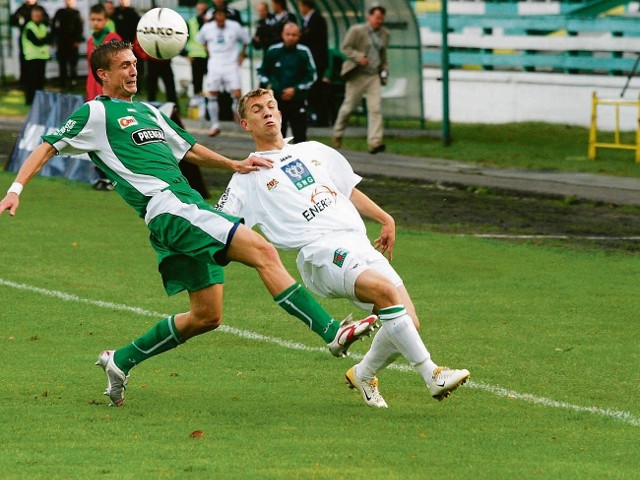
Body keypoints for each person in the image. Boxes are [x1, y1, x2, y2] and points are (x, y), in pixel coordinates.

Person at [0, 41, 377, 407]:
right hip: (170, 207)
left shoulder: (149, 110)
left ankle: (121, 360)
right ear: (103, 74)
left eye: (135, 64)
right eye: (124, 66)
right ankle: (332, 332)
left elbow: (189, 148)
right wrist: (16, 188)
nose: (133, 71)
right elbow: (48, 145)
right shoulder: (94, 114)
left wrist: (233, 164)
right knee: (263, 251)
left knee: (206, 315)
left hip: (178, 211)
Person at [216, 88, 471, 408]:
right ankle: (432, 373)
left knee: (408, 321)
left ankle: (363, 373)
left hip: (356, 241)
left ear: (280, 114)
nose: (267, 112)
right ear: (245, 124)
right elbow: (220, 227)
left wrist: (384, 217)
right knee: (385, 294)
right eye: (257, 110)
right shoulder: (248, 174)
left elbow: (347, 189)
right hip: (319, 252)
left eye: (271, 106)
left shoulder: (313, 150)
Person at [332, 5, 389, 155]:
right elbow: (346, 48)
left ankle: (375, 142)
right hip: (357, 74)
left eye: (381, 18)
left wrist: (384, 68)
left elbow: (383, 53)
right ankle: (338, 133)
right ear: (369, 17)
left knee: (375, 109)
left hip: (373, 75)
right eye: (376, 17)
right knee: (348, 107)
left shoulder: (384, 34)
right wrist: (358, 57)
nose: (379, 21)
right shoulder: (357, 31)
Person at [257, 22, 315, 144]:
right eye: (288, 34)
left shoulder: (303, 52)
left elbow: (312, 75)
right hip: (276, 101)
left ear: (299, 36)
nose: (291, 37)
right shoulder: (273, 51)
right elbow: (262, 72)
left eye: (294, 35)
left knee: (300, 137)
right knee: (276, 136)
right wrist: (272, 86)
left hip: (297, 99)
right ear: (282, 35)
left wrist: (296, 89)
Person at [196, 7, 251, 137]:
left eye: (223, 16)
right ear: (215, 17)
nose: (220, 19)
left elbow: (246, 40)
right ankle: (215, 125)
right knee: (212, 94)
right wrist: (208, 51)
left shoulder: (235, 26)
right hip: (215, 64)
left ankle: (235, 112)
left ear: (226, 16)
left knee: (237, 94)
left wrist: (242, 55)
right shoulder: (207, 27)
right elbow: (200, 39)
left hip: (231, 64)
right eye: (218, 16)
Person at [86, 3, 122, 191]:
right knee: (95, 136)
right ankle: (102, 175)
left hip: (110, 95)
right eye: (93, 19)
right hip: (94, 94)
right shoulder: (91, 40)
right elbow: (90, 71)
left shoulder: (113, 39)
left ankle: (114, 177)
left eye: (99, 19)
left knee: (111, 137)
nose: (96, 23)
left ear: (106, 20)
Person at [297, 0, 330, 126]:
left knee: (317, 90)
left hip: (316, 61)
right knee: (313, 90)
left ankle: (321, 118)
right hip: (312, 61)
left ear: (306, 5)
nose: (300, 8)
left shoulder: (317, 20)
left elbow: (315, 41)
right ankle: (315, 115)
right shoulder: (308, 20)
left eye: (300, 5)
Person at [11, 0, 49, 88]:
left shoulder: (41, 9)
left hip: (40, 51)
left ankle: (38, 88)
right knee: (26, 68)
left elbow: (47, 21)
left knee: (39, 72)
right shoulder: (21, 10)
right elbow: (13, 21)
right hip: (28, 46)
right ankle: (25, 85)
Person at [21, 4, 51, 105]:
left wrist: (45, 39)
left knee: (40, 81)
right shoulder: (29, 27)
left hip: (42, 57)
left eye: (39, 15)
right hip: (31, 58)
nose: (37, 17)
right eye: (35, 15)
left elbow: (46, 39)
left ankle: (39, 101)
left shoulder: (43, 26)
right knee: (31, 81)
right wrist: (45, 39)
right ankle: (29, 101)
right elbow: (37, 41)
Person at [51, 0, 84, 89]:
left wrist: (78, 40)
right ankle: (62, 82)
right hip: (62, 42)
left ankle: (73, 82)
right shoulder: (60, 12)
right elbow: (54, 25)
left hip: (73, 43)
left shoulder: (77, 13)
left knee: (73, 64)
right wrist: (54, 38)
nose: (68, 2)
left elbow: (80, 27)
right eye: (67, 1)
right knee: (62, 64)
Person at [184, 1, 210, 97]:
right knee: (197, 82)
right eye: (199, 10)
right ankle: (197, 104)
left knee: (212, 82)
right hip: (195, 56)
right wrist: (185, 54)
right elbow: (183, 39)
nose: (201, 12)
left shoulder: (210, 22)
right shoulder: (191, 22)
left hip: (209, 56)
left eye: (204, 10)